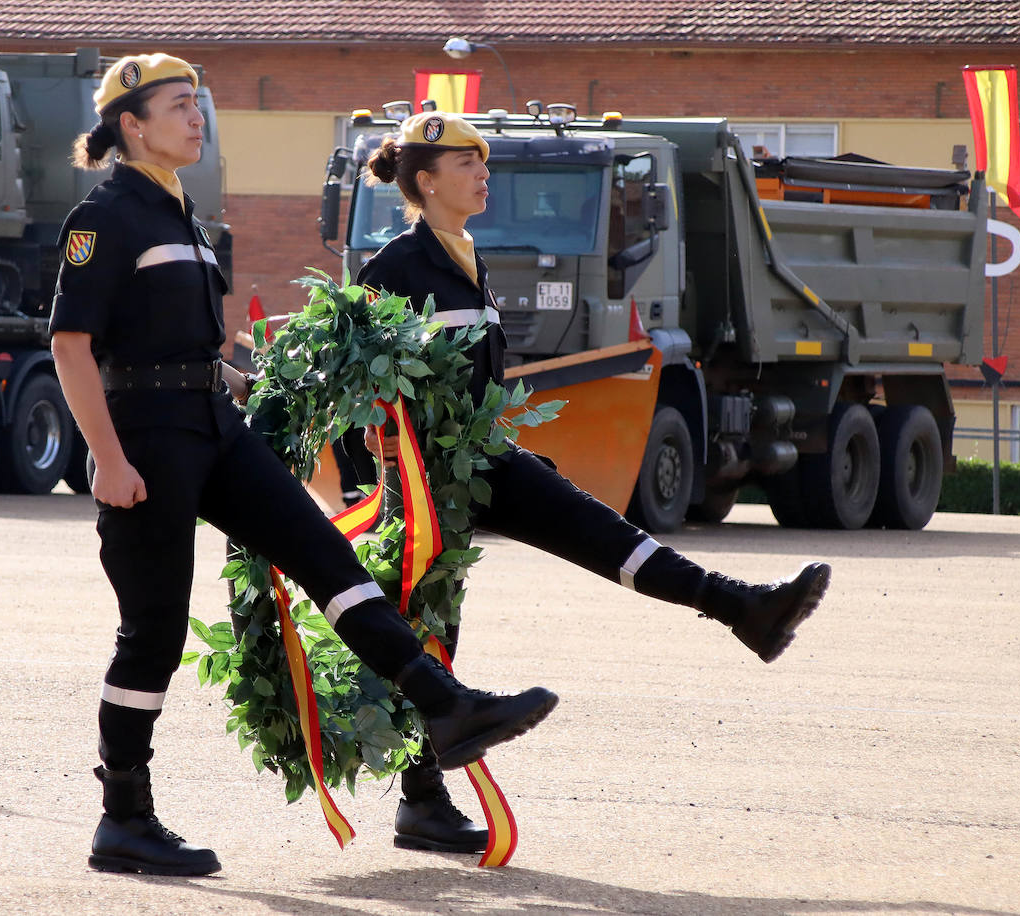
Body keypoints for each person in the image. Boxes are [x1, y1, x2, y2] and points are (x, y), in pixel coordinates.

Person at [50, 56, 558, 877]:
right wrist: (106, 459)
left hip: (212, 423)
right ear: (132, 125)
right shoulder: (106, 216)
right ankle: (124, 818)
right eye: (178, 106)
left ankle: (446, 706)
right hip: (145, 437)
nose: (196, 117)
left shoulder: (183, 214)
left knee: (329, 559)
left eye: (198, 104)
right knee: (153, 631)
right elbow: (72, 344)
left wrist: (262, 386)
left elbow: (185, 347)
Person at [356, 111, 831, 855]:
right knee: (430, 627)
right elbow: (366, 394)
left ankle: (744, 609)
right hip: (426, 479)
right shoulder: (393, 268)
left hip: (483, 457)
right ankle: (421, 802)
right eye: (467, 164)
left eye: (484, 163)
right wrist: (387, 485)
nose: (484, 175)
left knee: (601, 533)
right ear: (426, 180)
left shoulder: (464, 255)